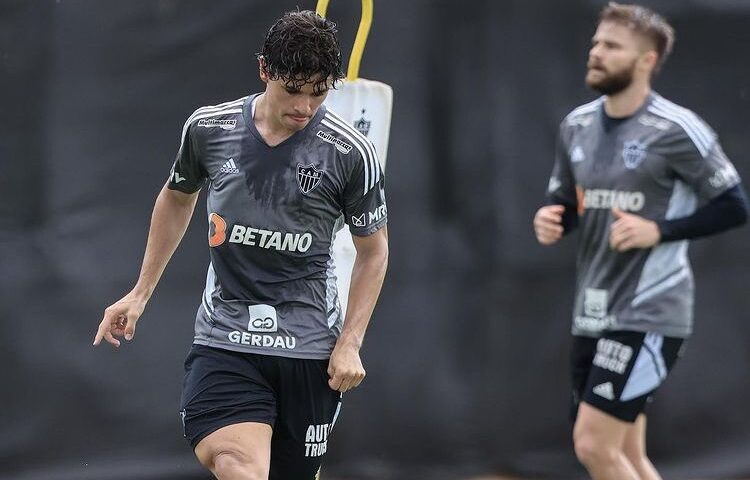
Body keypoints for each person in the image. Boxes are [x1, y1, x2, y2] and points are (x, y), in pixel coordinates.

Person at [93, 10, 388, 480]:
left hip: (308, 348)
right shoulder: (209, 129)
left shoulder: (349, 153)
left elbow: (373, 251)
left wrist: (350, 342)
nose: (305, 108)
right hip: (226, 340)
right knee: (238, 466)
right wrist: (140, 292)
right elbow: (176, 197)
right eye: (293, 90)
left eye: (319, 93)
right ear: (264, 71)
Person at [534, 3, 747, 479]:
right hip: (592, 310)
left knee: (593, 445)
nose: (596, 52)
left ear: (646, 60)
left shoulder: (676, 129)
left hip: (649, 309)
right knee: (626, 454)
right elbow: (570, 203)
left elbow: (735, 205)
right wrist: (554, 220)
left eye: (612, 46)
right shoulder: (576, 126)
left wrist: (660, 230)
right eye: (595, 42)